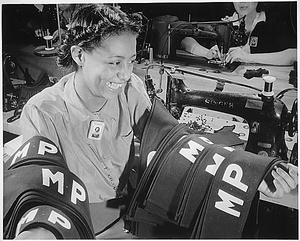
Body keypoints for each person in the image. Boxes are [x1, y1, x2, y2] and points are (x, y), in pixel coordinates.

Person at [8, 4, 298, 239]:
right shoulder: (43, 112)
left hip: (130, 219)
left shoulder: (130, 89)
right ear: (79, 55)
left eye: (131, 60)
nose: (125, 73)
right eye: (114, 62)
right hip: (81, 228)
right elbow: (40, 191)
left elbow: (174, 141)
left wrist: (250, 175)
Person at [181, 2, 297, 65]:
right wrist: (207, 53)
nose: (242, 2)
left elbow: (293, 55)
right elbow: (185, 40)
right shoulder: (228, 20)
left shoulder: (274, 21)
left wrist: (247, 57)